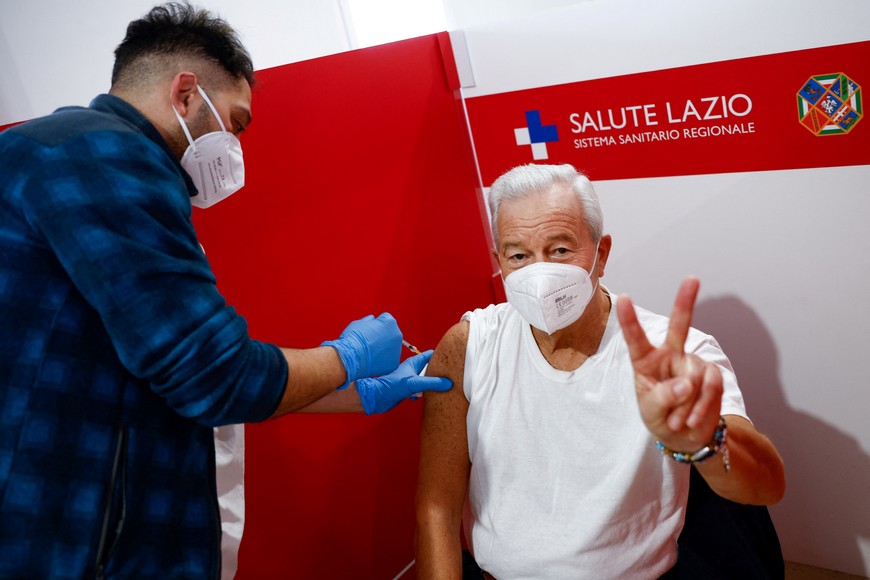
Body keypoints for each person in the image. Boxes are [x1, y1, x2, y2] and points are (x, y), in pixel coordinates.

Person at [0, 2, 451, 577]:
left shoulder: (53, 154)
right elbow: (217, 376)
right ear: (186, 95)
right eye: (236, 123)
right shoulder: (105, 159)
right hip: (80, 542)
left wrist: (356, 389)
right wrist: (347, 359)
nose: (236, 148)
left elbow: (162, 376)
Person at [415, 163, 785, 579]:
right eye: (519, 255)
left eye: (560, 250)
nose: (540, 274)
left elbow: (766, 486)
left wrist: (704, 439)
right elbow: (437, 507)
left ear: (601, 254)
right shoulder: (469, 347)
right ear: (499, 260)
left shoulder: (673, 355)